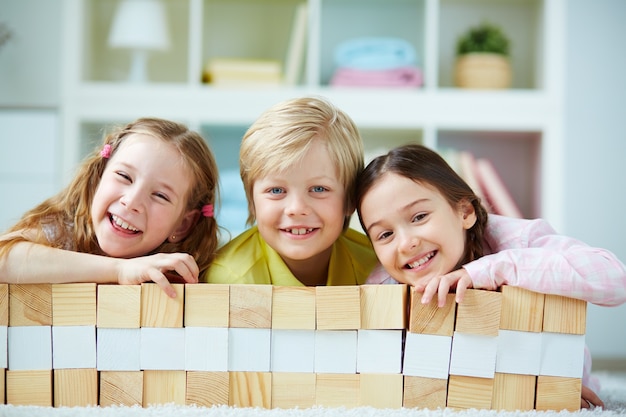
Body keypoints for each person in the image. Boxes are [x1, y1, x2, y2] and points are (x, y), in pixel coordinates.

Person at [355, 143, 626, 410]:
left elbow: (615, 281)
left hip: (556, 380)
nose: (405, 244)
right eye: (385, 234)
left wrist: (489, 270)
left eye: (419, 216)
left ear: (465, 212)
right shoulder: (383, 285)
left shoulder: (518, 240)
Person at [0, 117, 220, 298]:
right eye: (124, 176)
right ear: (99, 177)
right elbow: (4, 258)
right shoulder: (63, 231)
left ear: (182, 225)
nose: (132, 202)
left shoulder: (181, 274)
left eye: (160, 195)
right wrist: (119, 270)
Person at [204, 96, 378, 286]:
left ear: (350, 199)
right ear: (252, 202)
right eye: (277, 190)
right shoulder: (230, 281)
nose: (296, 208)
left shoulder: (378, 272)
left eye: (319, 189)